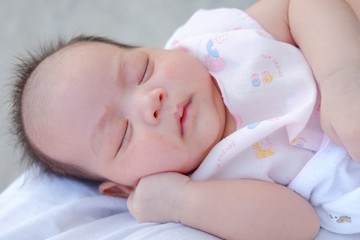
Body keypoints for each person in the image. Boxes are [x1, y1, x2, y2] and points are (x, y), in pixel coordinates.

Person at [10, 0, 360, 239]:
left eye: (142, 69)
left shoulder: (214, 40)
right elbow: (298, 225)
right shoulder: (209, 187)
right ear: (124, 188)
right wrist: (181, 202)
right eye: (123, 134)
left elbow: (303, 4)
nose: (151, 101)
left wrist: (340, 77)